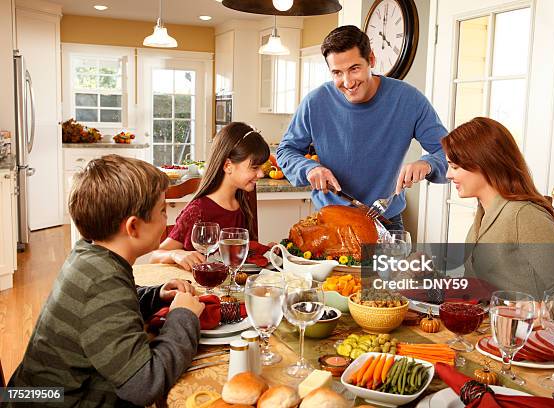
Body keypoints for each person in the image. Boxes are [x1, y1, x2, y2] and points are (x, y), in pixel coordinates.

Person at [8, 155, 205, 407]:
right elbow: (144, 385)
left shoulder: (90, 254)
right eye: (163, 210)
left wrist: (156, 295)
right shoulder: (101, 282)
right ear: (133, 227)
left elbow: (108, 311)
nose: (168, 220)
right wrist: (182, 316)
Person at [276, 25, 448, 231]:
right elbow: (286, 151)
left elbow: (449, 153)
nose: (347, 82)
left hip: (386, 222)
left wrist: (427, 164)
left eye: (354, 68)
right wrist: (309, 168)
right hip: (331, 220)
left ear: (371, 60)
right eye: (337, 73)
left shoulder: (409, 100)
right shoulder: (315, 102)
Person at [441, 117, 554, 299]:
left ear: (485, 163)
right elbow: (476, 284)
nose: (448, 175)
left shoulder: (524, 215)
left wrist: (535, 310)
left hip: (518, 326)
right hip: (484, 324)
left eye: (455, 166)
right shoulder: (484, 212)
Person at [150, 122, 269, 270]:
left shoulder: (244, 200)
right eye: (255, 167)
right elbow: (154, 256)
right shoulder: (198, 210)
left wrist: (266, 250)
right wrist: (176, 254)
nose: (261, 174)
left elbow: (244, 256)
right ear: (228, 166)